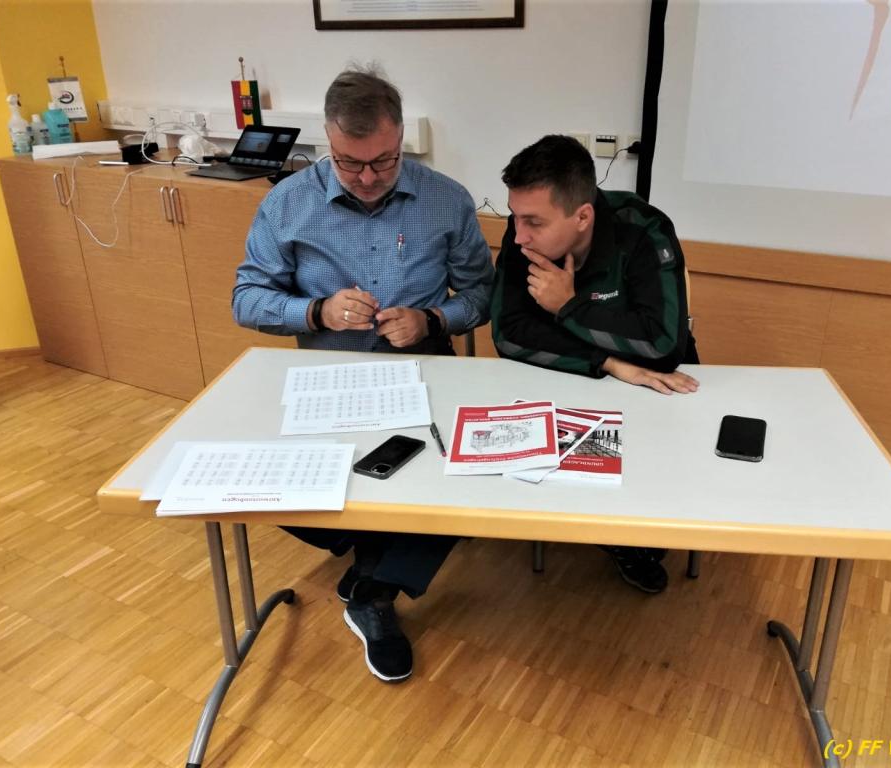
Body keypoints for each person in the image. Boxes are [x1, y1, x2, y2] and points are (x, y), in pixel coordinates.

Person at [232, 65, 494, 683]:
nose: (370, 177)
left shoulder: (447, 199)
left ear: (401, 138)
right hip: (327, 376)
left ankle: (373, 591)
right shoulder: (288, 203)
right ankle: (375, 551)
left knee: (471, 480)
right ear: (327, 140)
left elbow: (483, 295)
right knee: (265, 486)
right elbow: (246, 299)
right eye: (351, 164)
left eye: (384, 161)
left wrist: (432, 319)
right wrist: (316, 311)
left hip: (425, 370)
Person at [491, 134, 699, 594]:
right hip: (582, 378)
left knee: (648, 476)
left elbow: (663, 344)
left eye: (533, 222)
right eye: (514, 217)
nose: (518, 235)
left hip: (655, 389)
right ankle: (600, 528)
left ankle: (628, 532)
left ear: (582, 216)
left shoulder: (643, 228)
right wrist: (607, 360)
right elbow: (507, 333)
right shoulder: (521, 233)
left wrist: (569, 308)